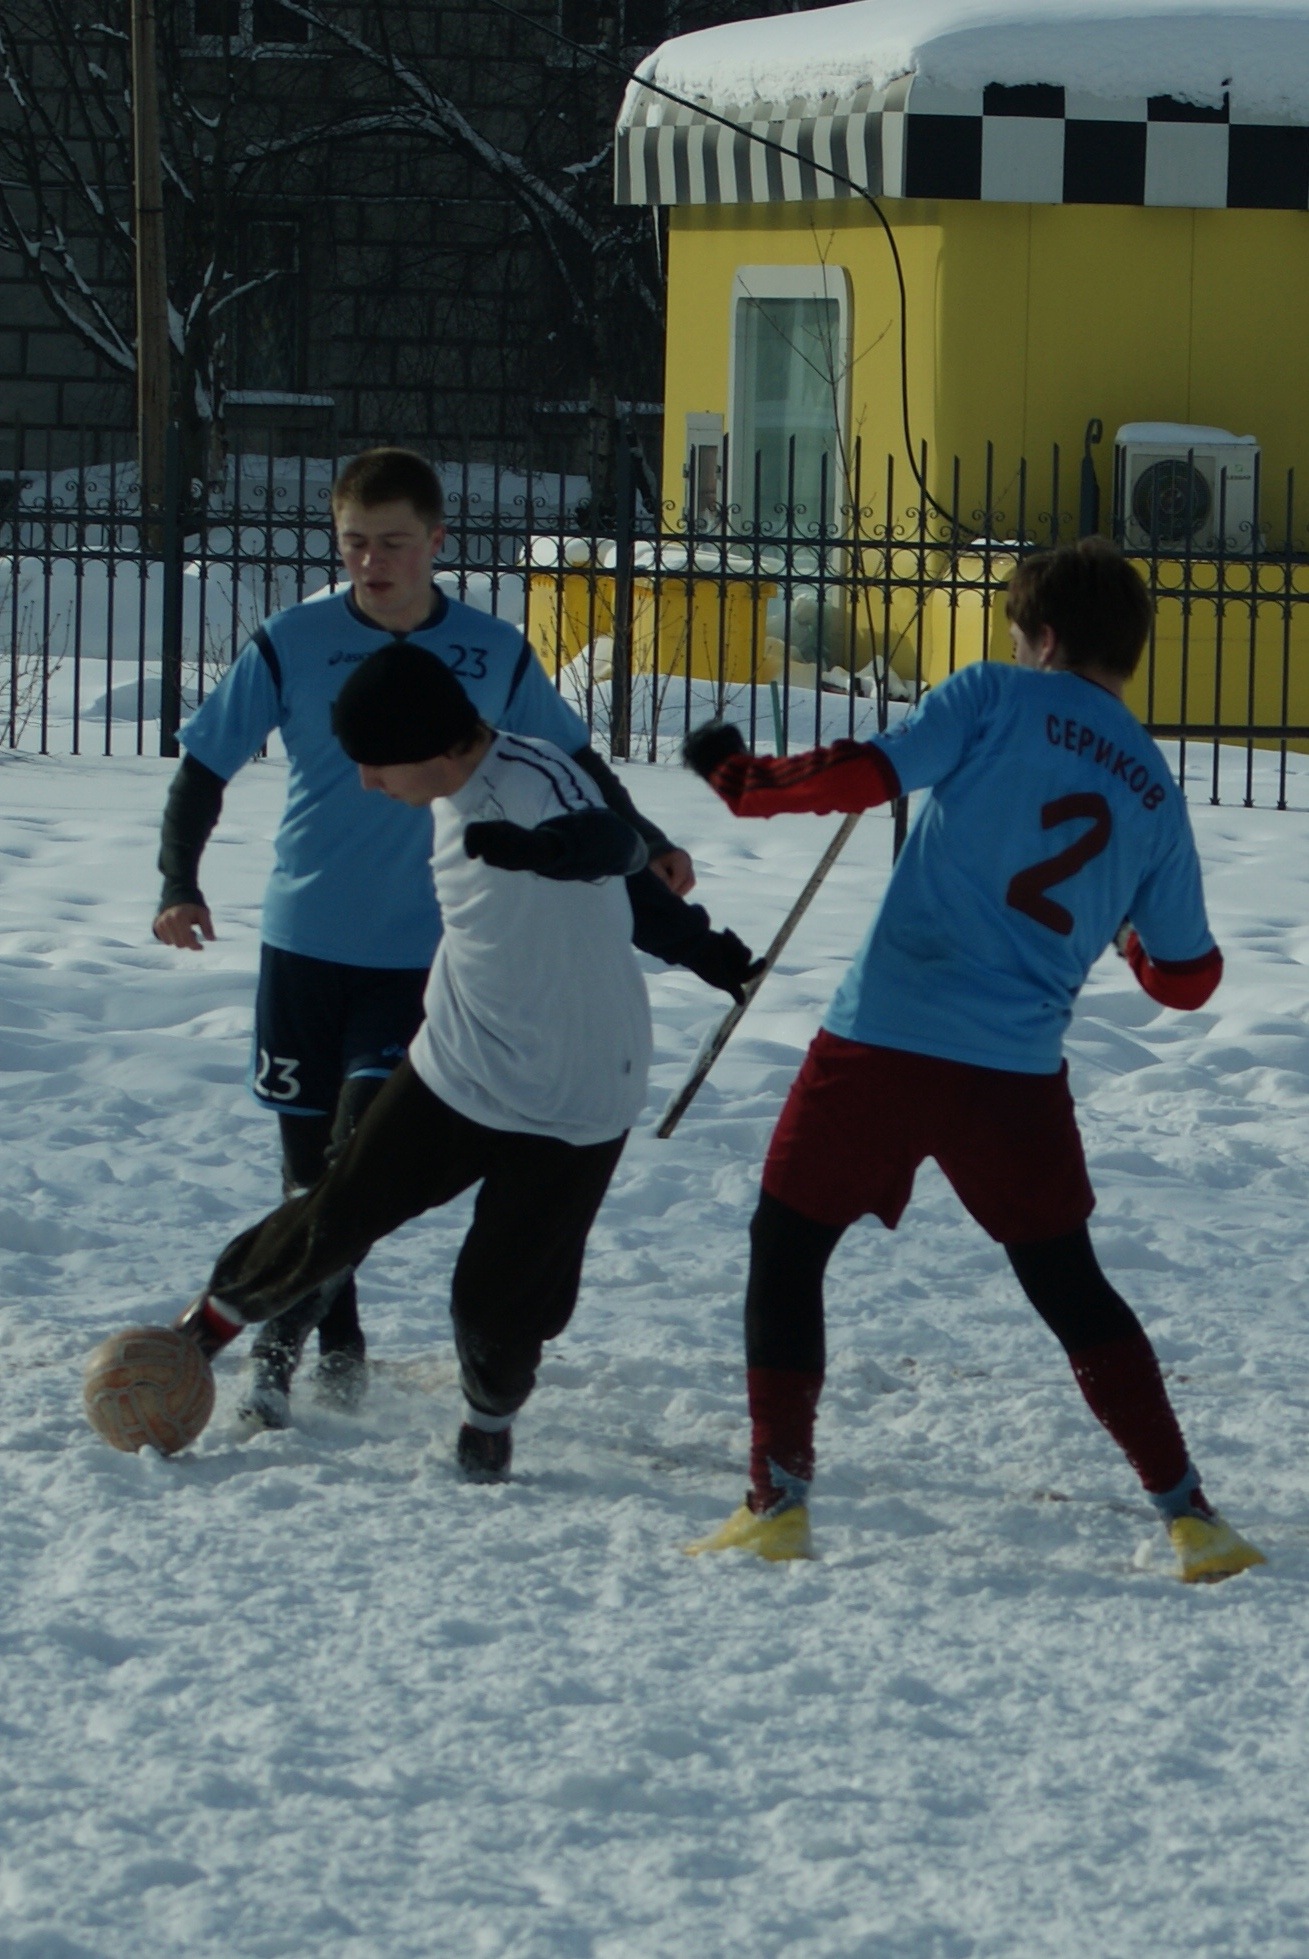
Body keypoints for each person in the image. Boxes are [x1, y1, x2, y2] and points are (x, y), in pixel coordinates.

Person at [681, 537, 1264, 1584]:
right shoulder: (1153, 784)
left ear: (1041, 637)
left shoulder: (992, 693)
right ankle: (1190, 1515)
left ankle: (778, 1503)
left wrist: (738, 779)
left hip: (885, 1037)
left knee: (788, 1245)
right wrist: (1126, 939)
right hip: (1015, 1071)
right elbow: (1190, 979)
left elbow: (862, 774)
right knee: (1069, 1285)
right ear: (1128, 651)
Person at [153, 447, 756, 1428]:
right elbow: (204, 766)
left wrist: (645, 847)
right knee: (313, 1180)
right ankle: (328, 1341)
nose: (372, 562)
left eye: (393, 543)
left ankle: (277, 1349)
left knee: (359, 1161)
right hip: (306, 943)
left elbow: (577, 775)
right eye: (354, 543)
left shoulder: (491, 659)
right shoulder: (292, 640)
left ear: (435, 542)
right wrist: (178, 881)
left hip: (424, 968)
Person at [173, 642, 651, 1478]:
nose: (364, 782)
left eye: (374, 761)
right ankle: (201, 1332)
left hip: (573, 1088)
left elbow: (615, 842)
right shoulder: (445, 781)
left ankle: (487, 1423)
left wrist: (549, 851)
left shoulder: (533, 780)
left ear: (433, 745)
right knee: (336, 1210)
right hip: (461, 1059)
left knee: (495, 1302)